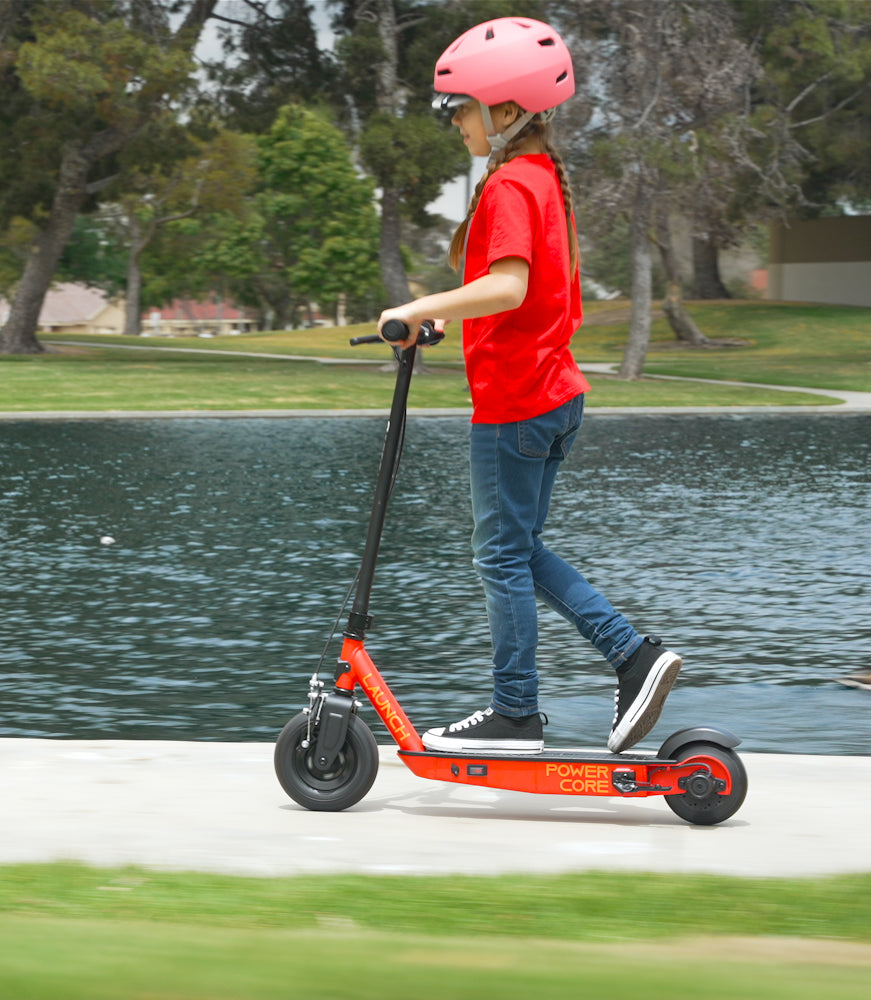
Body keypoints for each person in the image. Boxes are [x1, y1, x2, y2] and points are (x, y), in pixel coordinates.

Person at [376, 17, 681, 755]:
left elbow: (508, 286)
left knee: (500, 555)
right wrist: (451, 323)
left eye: (462, 108)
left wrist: (416, 308)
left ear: (505, 110)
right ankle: (633, 659)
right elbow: (522, 293)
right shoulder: (543, 178)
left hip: (517, 403)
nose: (455, 122)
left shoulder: (512, 182)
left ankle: (520, 710)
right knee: (517, 549)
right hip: (553, 392)